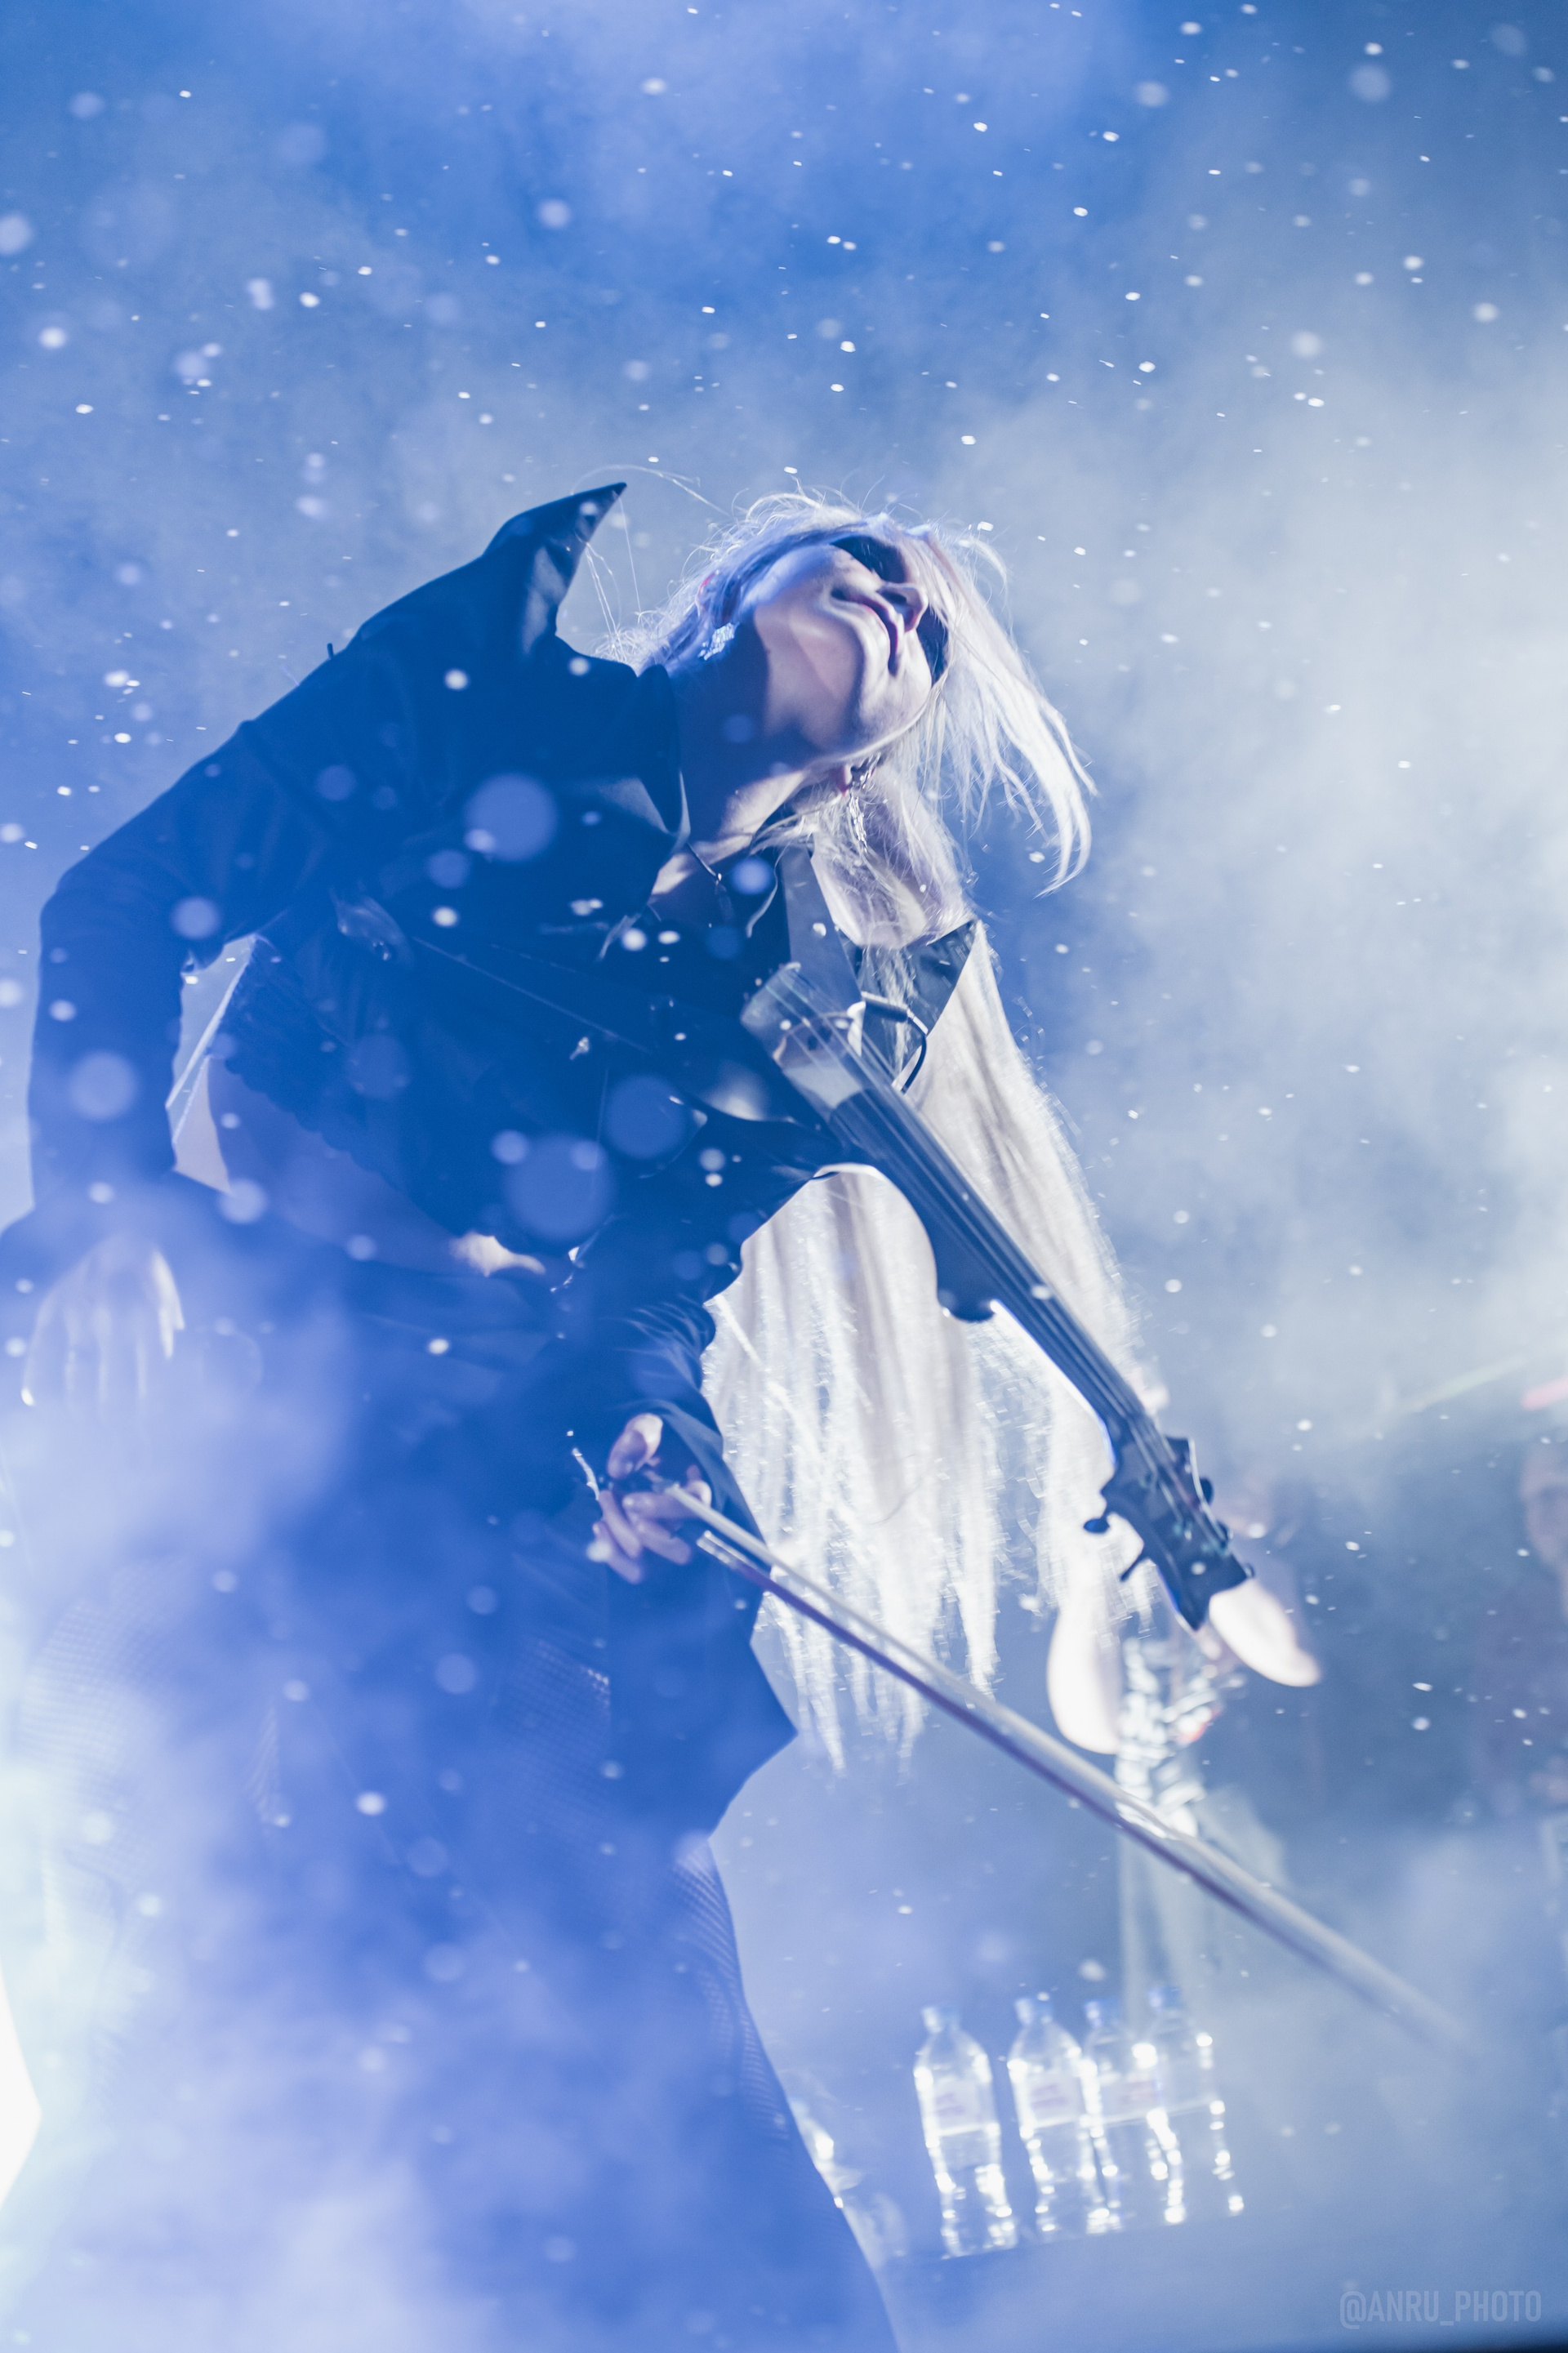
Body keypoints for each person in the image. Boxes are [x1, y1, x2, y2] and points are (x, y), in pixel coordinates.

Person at [0, 483, 1220, 2345]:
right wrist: (107, 1211)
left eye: (930, 629)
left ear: (867, 764)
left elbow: (645, 1302)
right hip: (228, 1364)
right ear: (725, 594)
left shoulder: (791, 1007)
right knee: (216, 1951)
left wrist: (652, 1451)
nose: (899, 600)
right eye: (861, 565)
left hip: (477, 1462)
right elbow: (121, 902)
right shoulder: (472, 692)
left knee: (626, 1992)